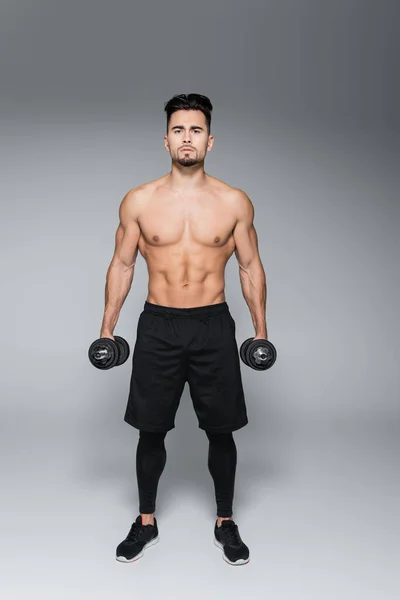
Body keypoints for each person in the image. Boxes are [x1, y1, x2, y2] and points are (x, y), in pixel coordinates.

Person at [99, 93, 268, 566]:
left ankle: (225, 521)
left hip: (213, 325)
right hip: (159, 325)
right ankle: (146, 521)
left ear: (209, 141)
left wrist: (261, 333)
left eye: (195, 130)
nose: (186, 138)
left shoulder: (234, 201)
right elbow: (122, 264)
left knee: (222, 430)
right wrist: (107, 331)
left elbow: (251, 268)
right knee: (150, 431)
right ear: (166, 139)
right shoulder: (139, 200)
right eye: (178, 130)